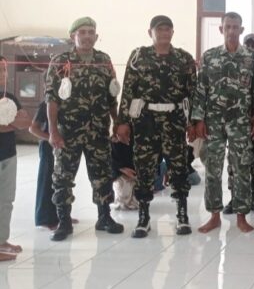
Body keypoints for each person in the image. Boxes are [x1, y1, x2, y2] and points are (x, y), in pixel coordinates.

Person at [116, 15, 197, 238]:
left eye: (167, 29)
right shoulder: (138, 57)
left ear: (172, 32)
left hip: (174, 120)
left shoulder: (184, 59)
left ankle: (182, 215)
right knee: (144, 169)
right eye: (159, 29)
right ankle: (143, 218)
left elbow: (193, 93)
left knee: (179, 168)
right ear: (150, 32)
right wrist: (122, 121)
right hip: (146, 121)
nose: (163, 33)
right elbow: (128, 90)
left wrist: (193, 122)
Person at [45, 17, 124, 241]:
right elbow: (51, 99)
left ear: (96, 36)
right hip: (68, 132)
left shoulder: (103, 60)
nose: (87, 36)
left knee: (102, 175)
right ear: (73, 36)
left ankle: (104, 217)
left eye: (91, 32)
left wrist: (117, 122)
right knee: (63, 177)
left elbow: (111, 96)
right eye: (83, 32)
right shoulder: (60, 61)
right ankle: (64, 221)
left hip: (98, 131)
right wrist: (53, 131)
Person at [191, 12, 254, 234]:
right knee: (212, 168)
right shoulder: (210, 56)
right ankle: (214, 216)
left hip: (241, 120)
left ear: (241, 30)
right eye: (228, 26)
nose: (231, 31)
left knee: (241, 167)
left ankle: (241, 216)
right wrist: (198, 119)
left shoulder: (252, 57)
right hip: (213, 121)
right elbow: (201, 89)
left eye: (235, 27)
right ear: (221, 29)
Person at [223, 33, 254, 215]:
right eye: (247, 44)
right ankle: (235, 198)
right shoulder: (237, 65)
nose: (250, 48)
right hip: (236, 121)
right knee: (234, 162)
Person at [0, 56, 30, 260]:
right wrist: (11, 122)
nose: (3, 74)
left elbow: (25, 123)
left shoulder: (9, 97)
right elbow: (15, 123)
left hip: (9, 155)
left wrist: (6, 123)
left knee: (6, 200)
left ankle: (1, 241)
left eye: (4, 70)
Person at [29, 100, 59, 229]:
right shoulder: (45, 104)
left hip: (62, 148)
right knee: (46, 182)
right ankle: (44, 219)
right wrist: (51, 138)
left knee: (60, 183)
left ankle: (59, 214)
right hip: (48, 148)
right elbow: (33, 128)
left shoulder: (70, 102)